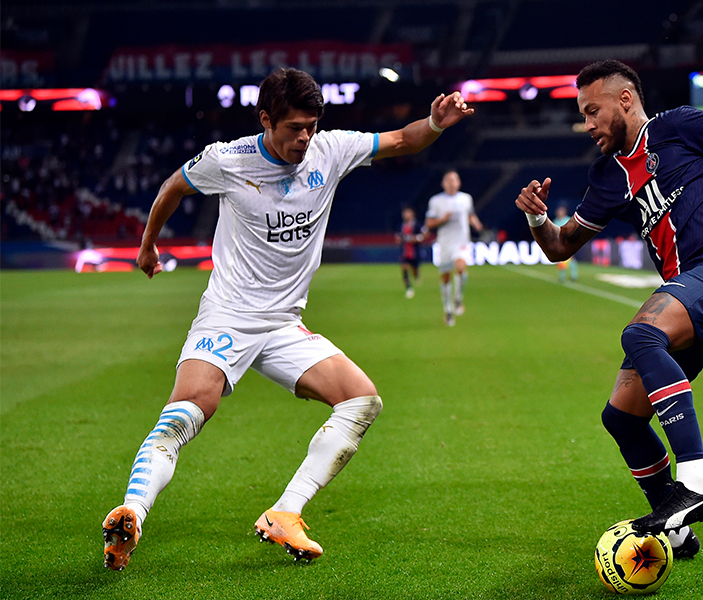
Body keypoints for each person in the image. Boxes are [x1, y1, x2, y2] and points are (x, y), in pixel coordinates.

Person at [101, 67, 474, 571]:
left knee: (362, 401)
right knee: (189, 409)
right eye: (294, 127)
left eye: (311, 126)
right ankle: (133, 511)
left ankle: (285, 512)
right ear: (265, 120)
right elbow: (174, 186)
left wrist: (434, 122)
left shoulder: (331, 149)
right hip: (228, 315)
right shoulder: (227, 159)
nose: (305, 137)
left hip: (283, 323)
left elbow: (404, 140)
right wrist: (148, 246)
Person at [515, 60, 703, 558]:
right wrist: (537, 218)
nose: (588, 124)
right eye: (582, 115)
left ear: (625, 100)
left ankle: (697, 480)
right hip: (690, 288)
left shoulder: (679, 126)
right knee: (622, 417)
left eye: (593, 111)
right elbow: (559, 248)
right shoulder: (607, 176)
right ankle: (679, 532)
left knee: (641, 334)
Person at [425, 170, 483, 326]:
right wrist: (442, 219)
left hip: (462, 242)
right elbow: (428, 223)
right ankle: (448, 310)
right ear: (443, 183)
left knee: (460, 266)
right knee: (445, 277)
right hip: (444, 243)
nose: (452, 182)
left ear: (459, 183)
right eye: (448, 180)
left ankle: (458, 298)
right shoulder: (435, 201)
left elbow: (470, 214)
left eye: (454, 179)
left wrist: (476, 223)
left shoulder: (466, 198)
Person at [396, 206, 426, 298]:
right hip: (404, 252)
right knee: (404, 268)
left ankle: (416, 275)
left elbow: (424, 235)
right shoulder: (401, 225)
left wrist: (415, 239)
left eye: (408, 213)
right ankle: (409, 289)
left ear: (412, 214)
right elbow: (397, 237)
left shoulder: (417, 224)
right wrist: (400, 239)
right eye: (405, 213)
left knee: (414, 269)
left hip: (414, 252)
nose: (406, 215)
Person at [552, 204, 579, 283]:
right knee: (561, 260)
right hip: (559, 243)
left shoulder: (569, 220)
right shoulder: (555, 221)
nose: (560, 213)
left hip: (568, 243)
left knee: (571, 260)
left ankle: (574, 275)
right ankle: (562, 276)